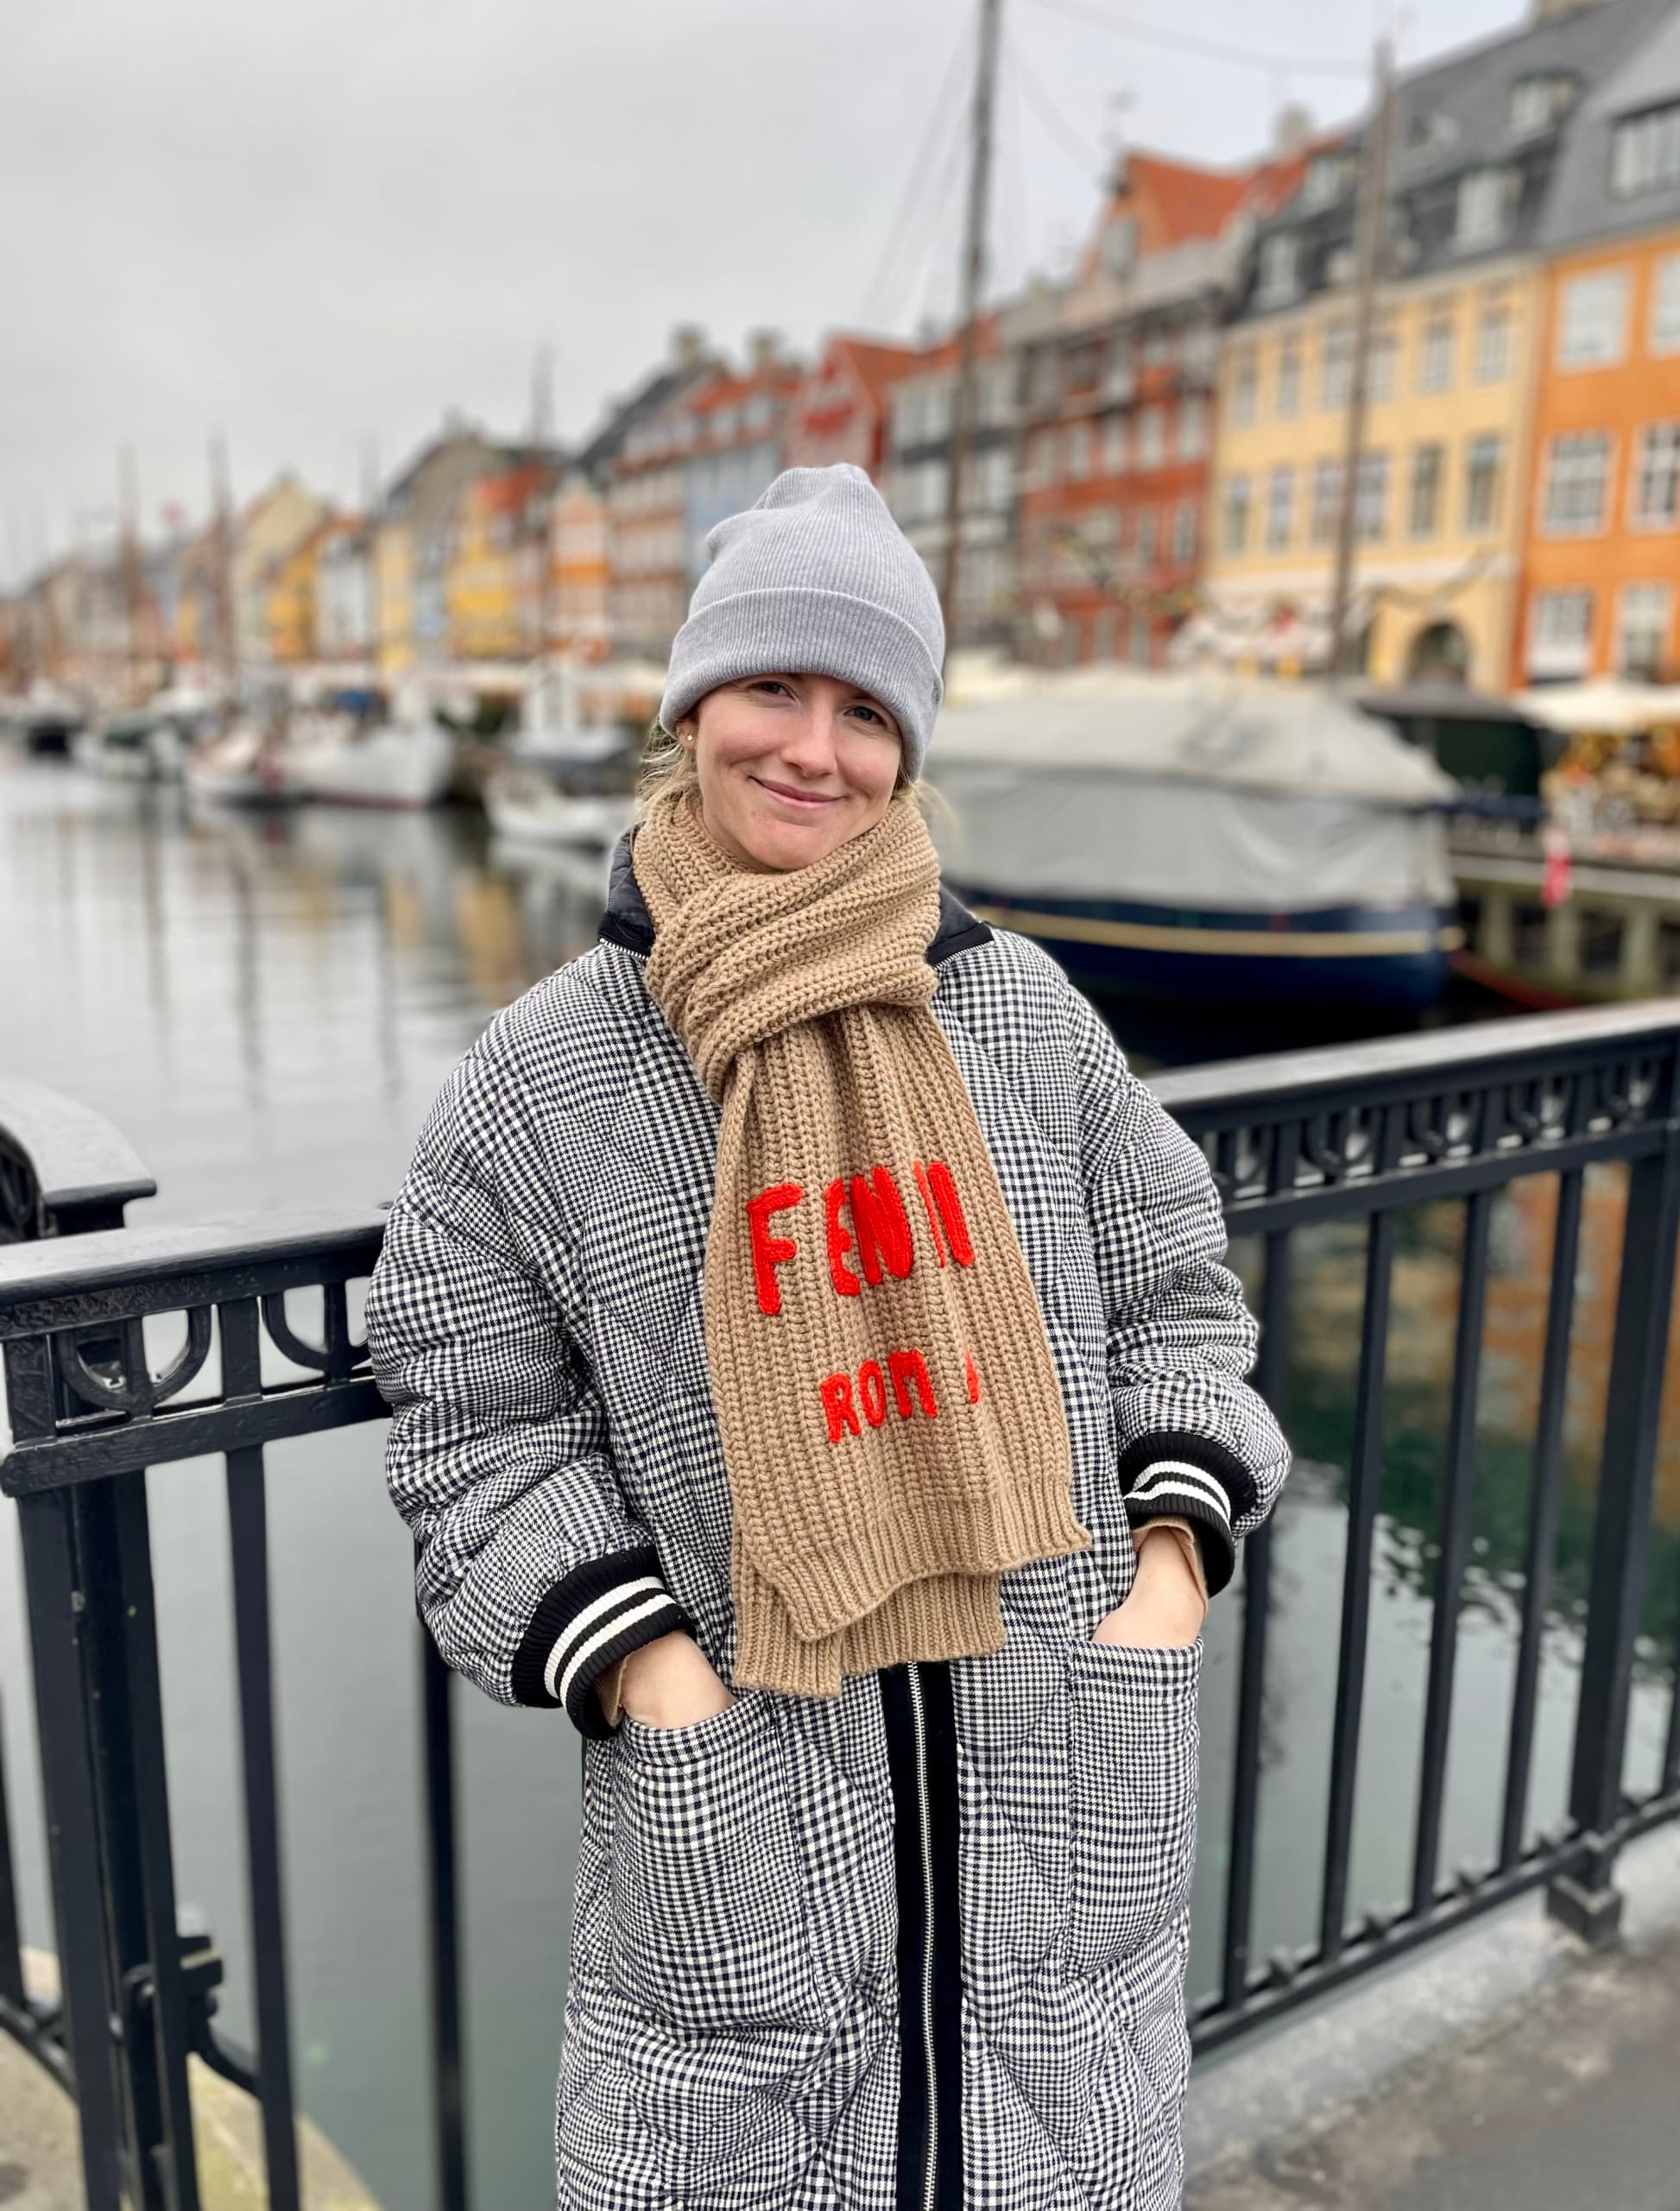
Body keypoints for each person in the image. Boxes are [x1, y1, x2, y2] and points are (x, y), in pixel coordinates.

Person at [366, 464, 1290, 2211]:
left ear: (907, 748)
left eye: (866, 708)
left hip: (1057, 1825)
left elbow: (1176, 1286)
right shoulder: (548, 1070)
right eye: (775, 687)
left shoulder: (1018, 1009)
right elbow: (468, 1417)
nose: (813, 745)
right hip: (740, 1839)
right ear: (691, 708)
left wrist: (1164, 1572)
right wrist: (651, 1671)